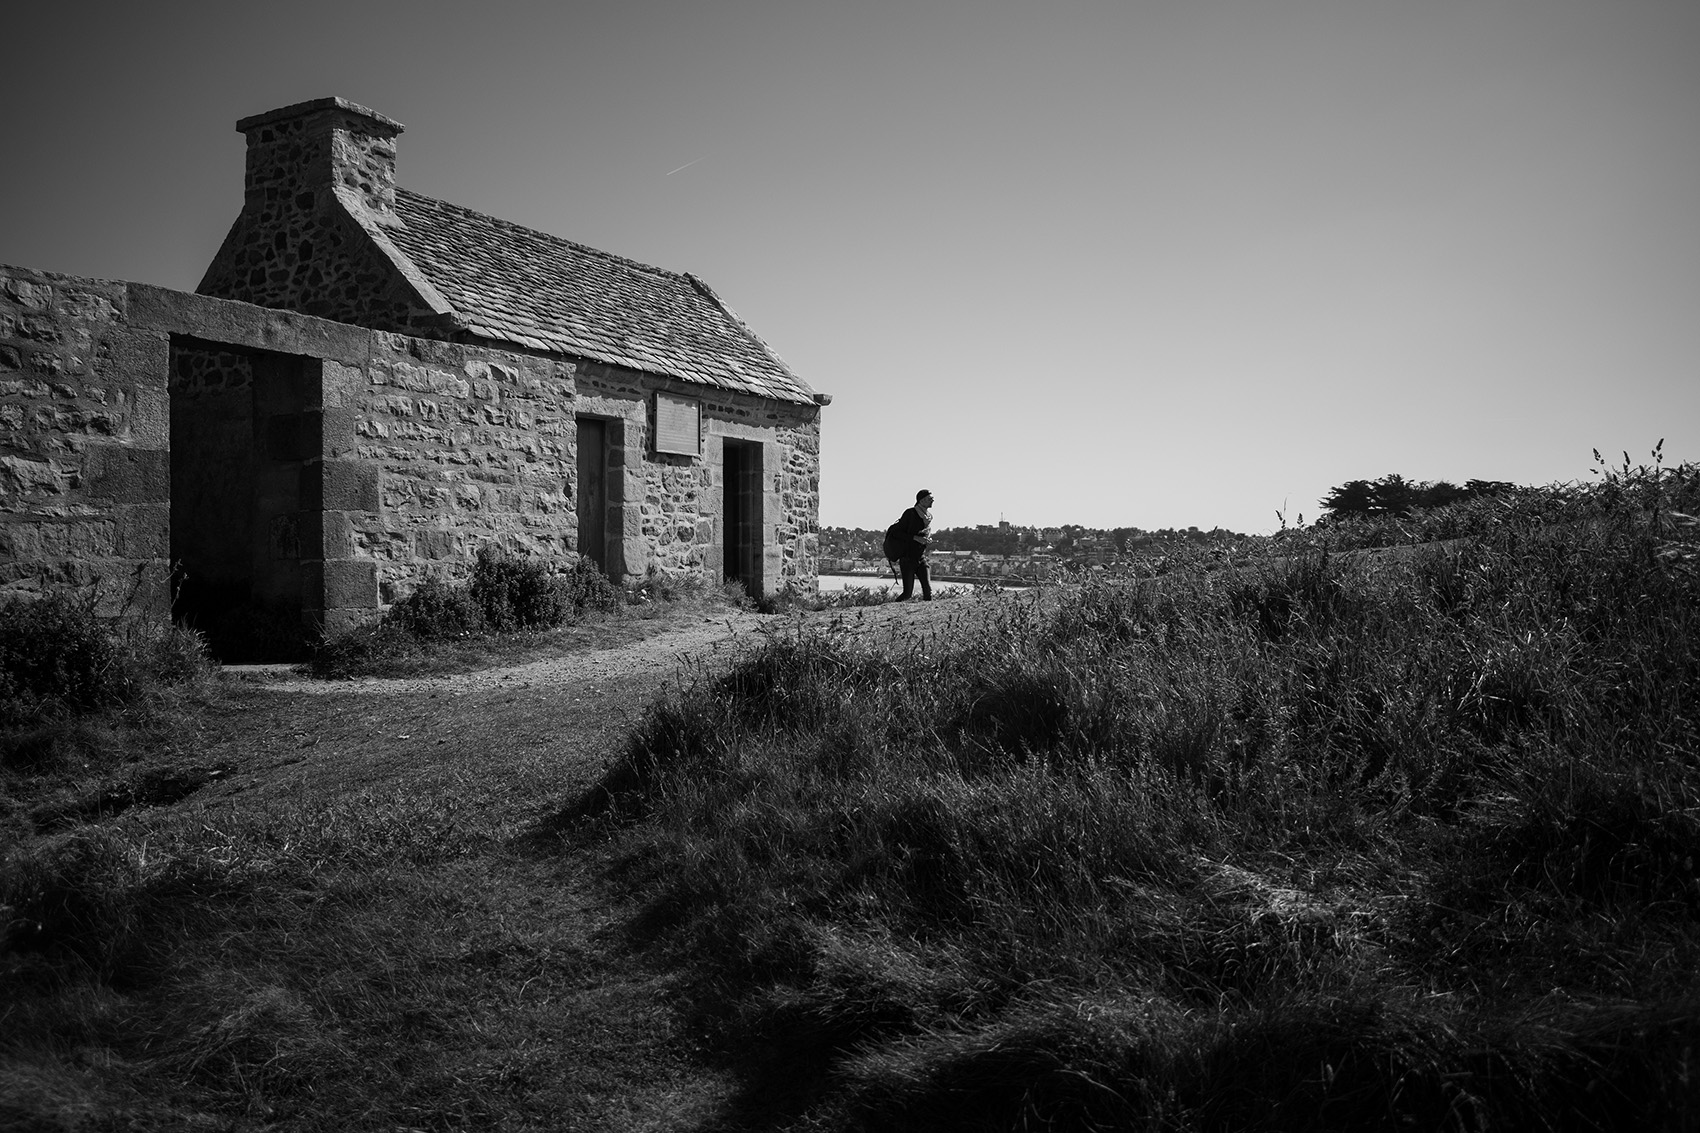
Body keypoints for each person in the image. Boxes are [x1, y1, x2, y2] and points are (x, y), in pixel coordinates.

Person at [893, 489, 934, 601]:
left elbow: (921, 534)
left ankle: (927, 615)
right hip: (907, 558)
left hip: (921, 557)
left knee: (928, 592)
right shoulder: (910, 513)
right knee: (907, 594)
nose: (933, 500)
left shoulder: (928, 516)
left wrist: (926, 540)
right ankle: (889, 611)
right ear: (922, 501)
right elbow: (896, 533)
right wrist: (916, 538)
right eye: (930, 498)